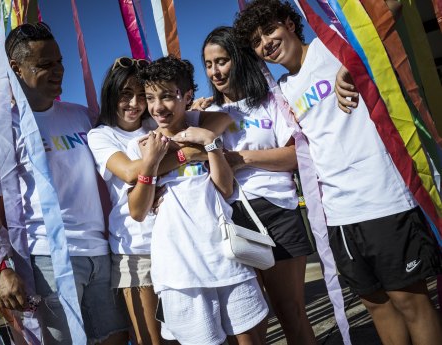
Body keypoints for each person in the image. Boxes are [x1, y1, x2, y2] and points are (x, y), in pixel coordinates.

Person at [234, 1, 442, 345]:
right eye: (256, 41)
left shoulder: (332, 45)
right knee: (376, 305)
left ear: (290, 22)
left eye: (269, 30)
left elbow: (389, 9)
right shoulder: (282, 89)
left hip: (383, 197)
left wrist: (356, 60)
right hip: (337, 214)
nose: (266, 43)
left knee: (411, 302)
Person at [0, 22, 130, 344]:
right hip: (45, 262)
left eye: (60, 62)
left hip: (102, 253)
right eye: (44, 65)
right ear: (16, 69)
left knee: (116, 339)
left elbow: (131, 139)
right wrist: (1, 268)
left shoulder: (83, 116)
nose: (58, 72)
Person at [127, 55, 269, 345]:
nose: (157, 107)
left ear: (187, 95)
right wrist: (151, 163)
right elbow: (138, 211)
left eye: (167, 96)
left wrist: (209, 143)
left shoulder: (204, 130)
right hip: (179, 270)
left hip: (226, 257)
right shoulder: (142, 146)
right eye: (151, 97)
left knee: (249, 340)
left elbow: (225, 189)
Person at [87, 57, 230, 344]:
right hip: (136, 247)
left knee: (193, 333)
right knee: (153, 340)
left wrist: (200, 130)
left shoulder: (156, 120)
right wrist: (184, 155)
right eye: (125, 94)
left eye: (143, 96)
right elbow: (129, 172)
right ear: (111, 94)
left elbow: (221, 119)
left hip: (179, 243)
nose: (135, 104)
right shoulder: (101, 135)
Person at [201, 26, 315, 345]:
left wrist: (241, 158)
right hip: (230, 219)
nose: (215, 70)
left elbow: (296, 155)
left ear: (239, 59)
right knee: (249, 323)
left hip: (278, 213)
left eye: (222, 61)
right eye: (209, 64)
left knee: (290, 311)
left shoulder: (269, 101)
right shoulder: (206, 114)